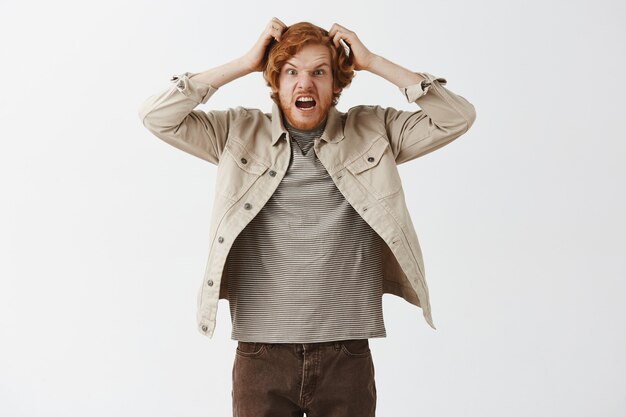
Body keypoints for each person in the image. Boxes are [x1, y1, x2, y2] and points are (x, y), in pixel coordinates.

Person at [138, 17, 475, 417]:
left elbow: (457, 116)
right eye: (291, 73)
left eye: (319, 72)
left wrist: (372, 60)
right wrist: (246, 62)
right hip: (260, 353)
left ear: (336, 84)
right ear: (276, 83)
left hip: (346, 351)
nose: (305, 84)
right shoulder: (236, 132)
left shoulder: (374, 130)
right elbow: (157, 116)